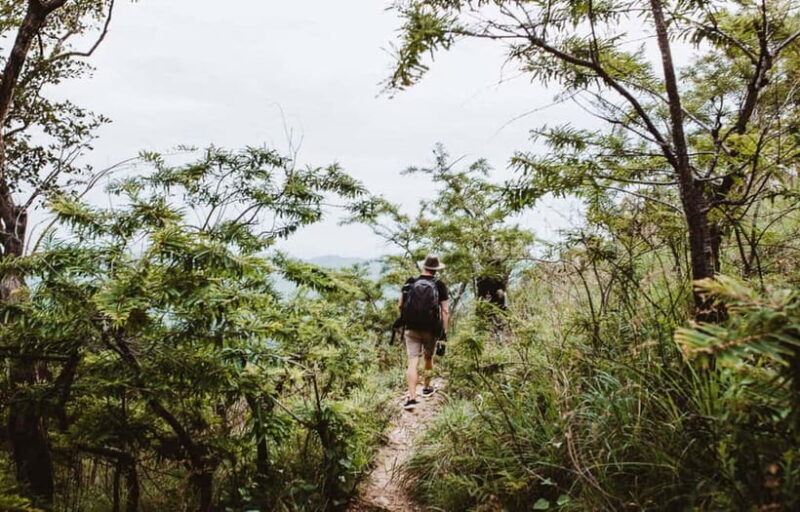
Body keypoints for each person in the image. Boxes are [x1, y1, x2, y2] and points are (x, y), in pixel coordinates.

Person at [398, 254, 449, 410]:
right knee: (428, 358)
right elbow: (445, 311)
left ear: (424, 267)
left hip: (411, 328)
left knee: (412, 361)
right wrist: (443, 333)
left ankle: (412, 398)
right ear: (436, 270)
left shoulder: (411, 282)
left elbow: (400, 305)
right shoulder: (439, 285)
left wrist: (405, 320)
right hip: (431, 328)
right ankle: (426, 388)